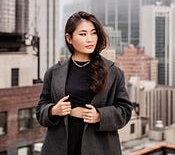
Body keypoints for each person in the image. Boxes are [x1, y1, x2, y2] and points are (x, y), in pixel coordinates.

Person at [36, 11, 133, 155]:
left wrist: (100, 116)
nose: (90, 39)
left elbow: (125, 110)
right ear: (69, 38)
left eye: (93, 33)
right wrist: (53, 110)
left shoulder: (113, 72)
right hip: (60, 144)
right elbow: (40, 109)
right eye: (83, 34)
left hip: (99, 145)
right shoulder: (54, 72)